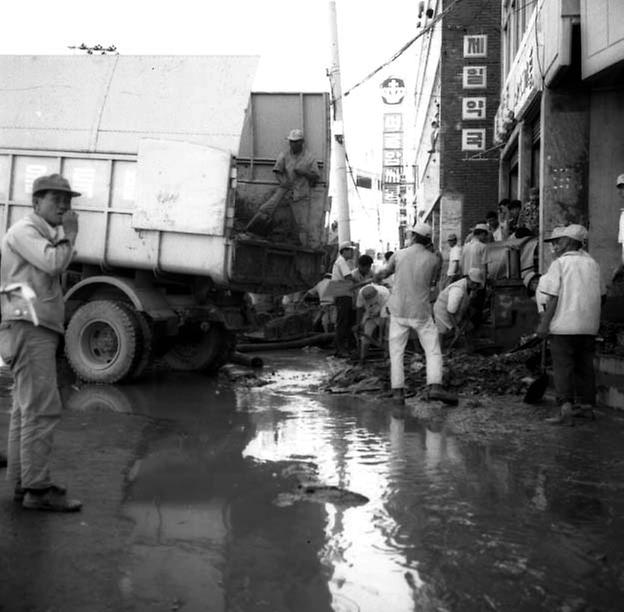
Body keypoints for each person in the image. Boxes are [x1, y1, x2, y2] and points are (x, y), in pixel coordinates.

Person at [0, 174, 82, 511]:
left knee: (26, 409)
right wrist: (72, 234)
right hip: (28, 326)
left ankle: (24, 482)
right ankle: (37, 488)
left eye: (67, 200)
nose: (64, 206)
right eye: (55, 199)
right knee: (42, 410)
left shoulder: (39, 232)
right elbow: (52, 262)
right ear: (36, 202)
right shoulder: (25, 231)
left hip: (28, 324)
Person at [375, 223, 456, 406]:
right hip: (421, 311)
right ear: (428, 240)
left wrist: (377, 277)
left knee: (396, 352)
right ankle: (435, 386)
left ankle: (398, 393)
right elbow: (433, 281)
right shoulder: (434, 259)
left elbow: (385, 272)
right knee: (433, 349)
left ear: (412, 236)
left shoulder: (399, 254)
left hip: (399, 310)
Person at [536, 224, 604, 424]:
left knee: (563, 367)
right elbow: (603, 295)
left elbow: (553, 298)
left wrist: (543, 325)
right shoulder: (593, 264)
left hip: (564, 326)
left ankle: (565, 409)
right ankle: (587, 407)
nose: (555, 245)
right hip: (589, 327)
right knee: (585, 367)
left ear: (570, 242)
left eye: (558, 241)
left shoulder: (560, 264)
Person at [245, 129, 321, 247]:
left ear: (302, 142)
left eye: (296, 142)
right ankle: (250, 231)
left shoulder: (310, 158)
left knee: (302, 224)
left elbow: (316, 176)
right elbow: (277, 171)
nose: (293, 144)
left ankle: (303, 248)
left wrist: (304, 172)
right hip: (285, 188)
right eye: (291, 142)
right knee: (267, 208)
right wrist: (283, 182)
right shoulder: (284, 155)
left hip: (301, 194)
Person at [434, 267, 485, 348]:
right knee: (442, 332)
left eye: (477, 284)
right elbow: (450, 312)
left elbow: (464, 305)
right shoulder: (457, 290)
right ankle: (440, 351)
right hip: (442, 311)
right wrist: (456, 328)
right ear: (468, 279)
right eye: (474, 283)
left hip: (454, 311)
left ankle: (468, 348)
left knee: (468, 328)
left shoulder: (469, 288)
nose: (475, 285)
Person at [354, 283, 390, 363]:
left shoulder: (384, 294)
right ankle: (363, 357)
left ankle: (386, 356)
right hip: (370, 313)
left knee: (388, 331)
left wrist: (381, 337)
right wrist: (359, 324)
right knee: (366, 334)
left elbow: (383, 319)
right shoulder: (361, 293)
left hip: (384, 314)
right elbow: (359, 309)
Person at [331, 241, 356, 357]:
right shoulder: (341, 262)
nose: (352, 252)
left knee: (345, 321)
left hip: (341, 292)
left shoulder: (341, 262)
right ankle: (340, 349)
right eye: (350, 250)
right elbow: (349, 277)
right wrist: (361, 282)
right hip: (342, 292)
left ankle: (344, 347)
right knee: (342, 322)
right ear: (344, 251)